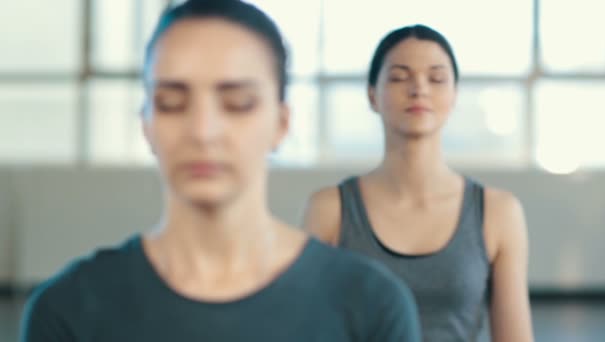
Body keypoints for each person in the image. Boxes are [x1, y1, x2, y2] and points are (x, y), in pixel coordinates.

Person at [20, 1, 421, 341]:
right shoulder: (69, 309)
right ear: (146, 124)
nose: (203, 131)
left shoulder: (370, 305)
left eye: (238, 103)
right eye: (173, 103)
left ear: (281, 124)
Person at [302, 24, 533, 342]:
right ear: (372, 95)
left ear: (454, 96)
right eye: (399, 77)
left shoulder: (498, 212)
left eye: (436, 78)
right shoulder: (330, 209)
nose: (419, 89)